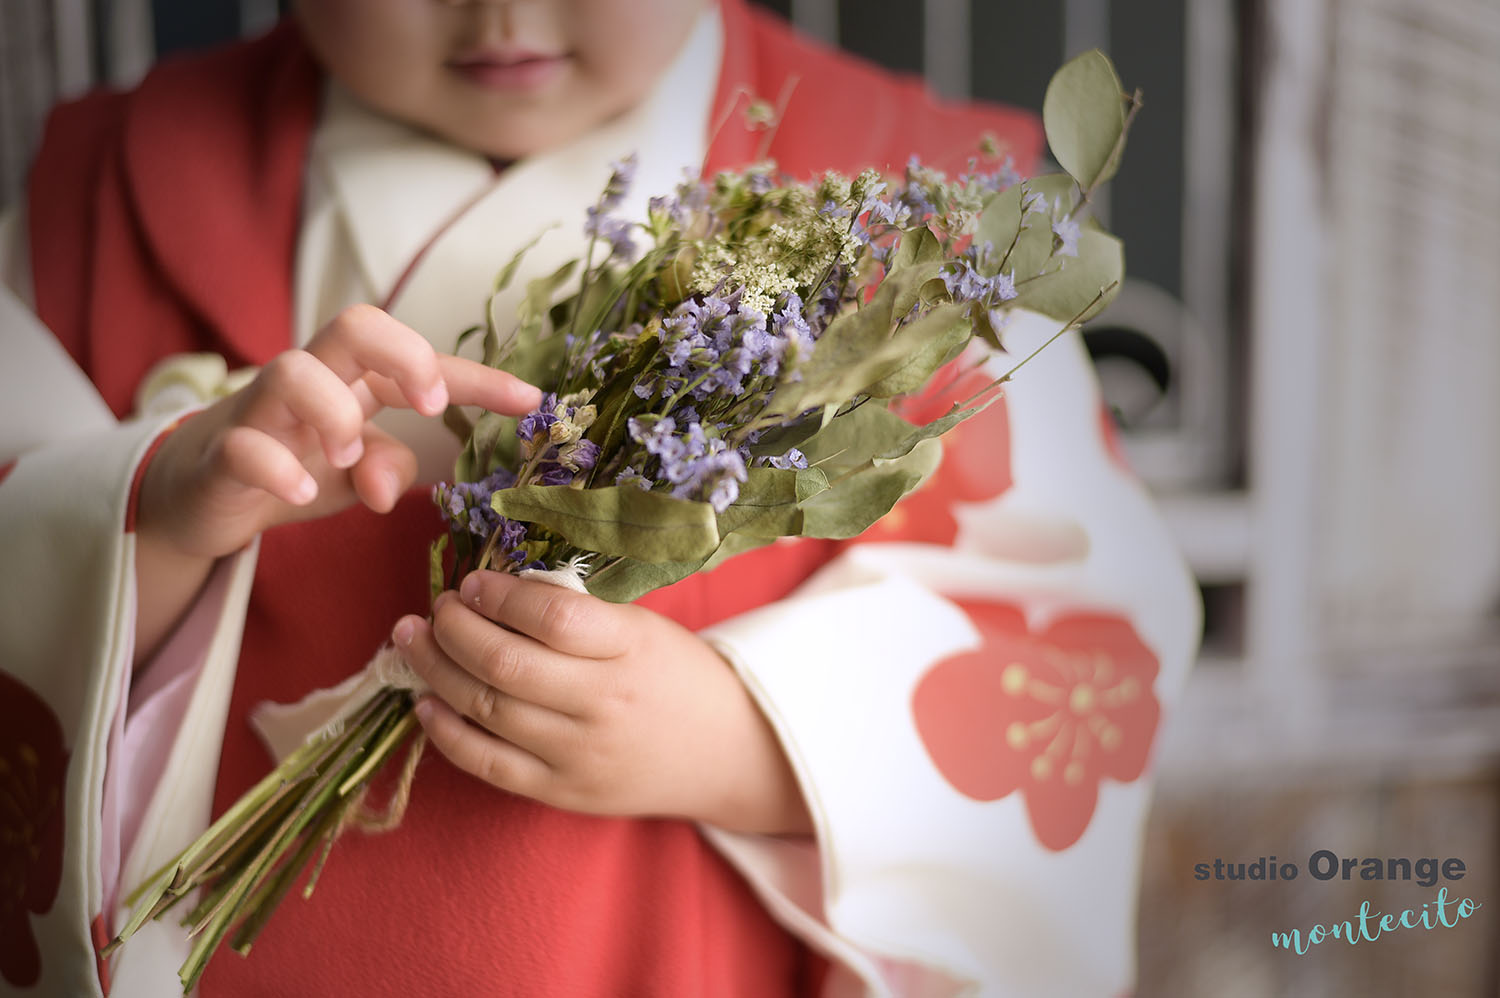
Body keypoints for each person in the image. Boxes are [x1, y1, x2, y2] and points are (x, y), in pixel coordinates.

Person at [0, 0, 1202, 995]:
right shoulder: (106, 201)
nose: (503, 16)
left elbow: (1080, 640)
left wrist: (750, 736)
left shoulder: (920, 220)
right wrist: (154, 514)